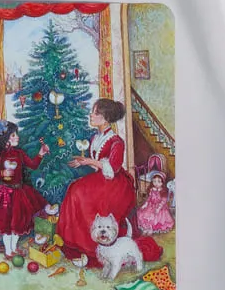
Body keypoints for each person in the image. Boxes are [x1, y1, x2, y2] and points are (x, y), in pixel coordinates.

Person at [57, 99, 162, 267]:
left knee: (80, 193)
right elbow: (97, 165)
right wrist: (84, 162)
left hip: (115, 183)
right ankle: (76, 242)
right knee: (75, 188)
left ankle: (91, 248)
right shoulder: (96, 137)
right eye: (92, 112)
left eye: (95, 113)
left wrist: (87, 161)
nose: (91, 115)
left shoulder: (116, 141)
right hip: (102, 179)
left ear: (106, 119)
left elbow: (112, 167)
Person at [0, 121, 49, 257]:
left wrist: (40, 154)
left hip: (19, 193)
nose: (17, 137)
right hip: (5, 194)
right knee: (7, 226)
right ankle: (8, 251)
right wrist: (2, 173)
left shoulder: (19, 153)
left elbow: (33, 165)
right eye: (13, 135)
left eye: (16, 134)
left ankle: (13, 249)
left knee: (18, 225)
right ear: (4, 138)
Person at [137, 171, 175, 235]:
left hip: (160, 207)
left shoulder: (163, 191)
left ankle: (151, 228)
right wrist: (145, 204)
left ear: (162, 183)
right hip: (151, 205)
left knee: (154, 216)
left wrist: (158, 208)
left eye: (159, 182)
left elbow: (163, 201)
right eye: (154, 181)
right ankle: (147, 227)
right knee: (144, 214)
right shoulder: (152, 190)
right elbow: (149, 199)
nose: (156, 183)